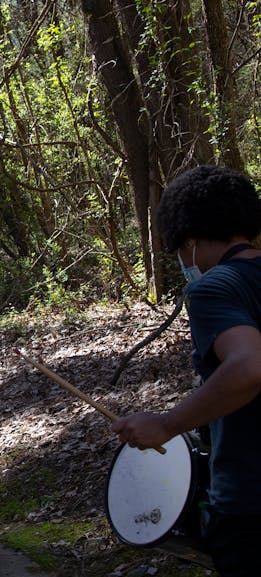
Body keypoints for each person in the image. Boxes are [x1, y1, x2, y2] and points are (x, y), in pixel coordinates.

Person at [112, 165, 261, 577]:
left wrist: (166, 423)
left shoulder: (214, 287)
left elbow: (249, 367)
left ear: (190, 242)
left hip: (249, 505)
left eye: (179, 250)